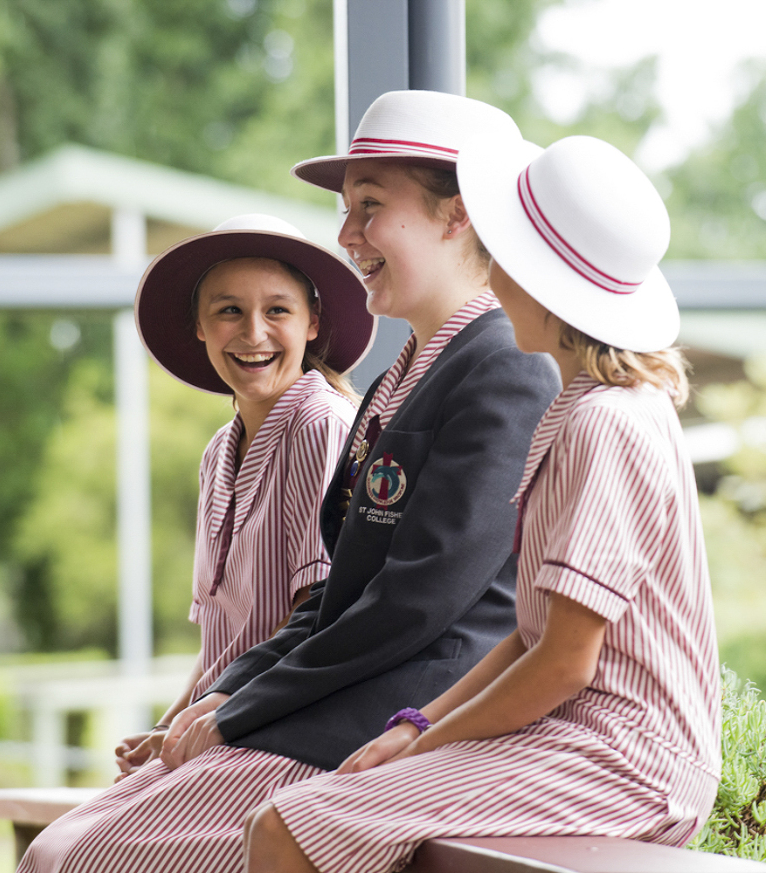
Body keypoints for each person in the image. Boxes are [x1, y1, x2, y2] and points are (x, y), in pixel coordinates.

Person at [18, 91, 558, 873]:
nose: (347, 235)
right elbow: (343, 594)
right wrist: (228, 691)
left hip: (397, 718)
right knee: (60, 847)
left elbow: (418, 603)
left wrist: (243, 707)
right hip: (332, 704)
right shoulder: (394, 383)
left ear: (459, 213)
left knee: (87, 856)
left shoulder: (505, 365)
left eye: (369, 207)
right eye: (348, 211)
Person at [243, 135, 722, 873]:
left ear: (542, 280)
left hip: (625, 756)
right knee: (306, 811)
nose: (491, 279)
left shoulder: (606, 422)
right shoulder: (579, 408)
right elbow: (533, 636)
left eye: (504, 255)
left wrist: (425, 746)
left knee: (291, 826)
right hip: (582, 735)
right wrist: (416, 724)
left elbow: (564, 663)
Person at [117, 212, 374, 778]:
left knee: (75, 852)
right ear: (200, 328)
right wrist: (166, 728)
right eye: (229, 310)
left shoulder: (320, 426)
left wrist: (199, 725)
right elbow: (221, 639)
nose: (253, 333)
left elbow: (319, 616)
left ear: (311, 324)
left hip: (283, 728)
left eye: (277, 310)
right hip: (220, 723)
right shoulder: (217, 452)